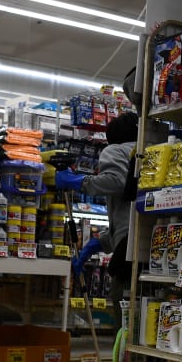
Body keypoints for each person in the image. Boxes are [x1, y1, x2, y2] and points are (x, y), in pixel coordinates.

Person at [55, 111, 139, 329]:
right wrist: (100, 242)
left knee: (126, 317)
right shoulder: (152, 151)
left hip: (128, 252)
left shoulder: (116, 150)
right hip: (151, 245)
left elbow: (117, 181)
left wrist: (80, 182)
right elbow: (130, 213)